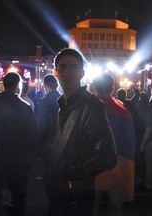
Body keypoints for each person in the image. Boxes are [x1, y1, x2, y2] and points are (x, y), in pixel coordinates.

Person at [43, 48, 117, 216]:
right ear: (55, 73)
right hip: (60, 191)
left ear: (82, 73)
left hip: (77, 194)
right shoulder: (62, 104)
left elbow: (108, 156)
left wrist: (71, 172)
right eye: (62, 67)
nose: (67, 72)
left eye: (73, 67)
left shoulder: (92, 105)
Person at [0, 72, 38, 216]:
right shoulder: (25, 108)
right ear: (18, 86)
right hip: (18, 163)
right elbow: (33, 137)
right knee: (18, 203)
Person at [93, 73, 136, 215]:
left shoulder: (89, 106)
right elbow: (130, 138)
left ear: (94, 87)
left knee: (94, 200)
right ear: (112, 89)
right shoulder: (122, 109)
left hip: (92, 160)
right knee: (115, 200)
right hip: (118, 160)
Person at [36, 74, 61, 157]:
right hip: (62, 141)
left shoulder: (44, 102)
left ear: (45, 86)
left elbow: (41, 124)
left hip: (48, 142)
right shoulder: (64, 99)